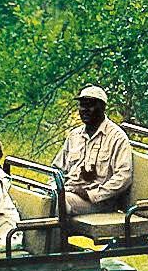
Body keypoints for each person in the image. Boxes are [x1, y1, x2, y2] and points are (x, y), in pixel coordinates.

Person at [53, 85, 133, 216]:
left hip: (100, 202)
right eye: (82, 105)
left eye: (90, 105)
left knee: (57, 203)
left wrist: (91, 194)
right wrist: (53, 188)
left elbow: (123, 177)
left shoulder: (117, 137)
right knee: (38, 199)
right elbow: (57, 169)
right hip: (68, 191)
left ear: (102, 107)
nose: (84, 110)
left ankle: (57, 237)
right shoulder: (74, 135)